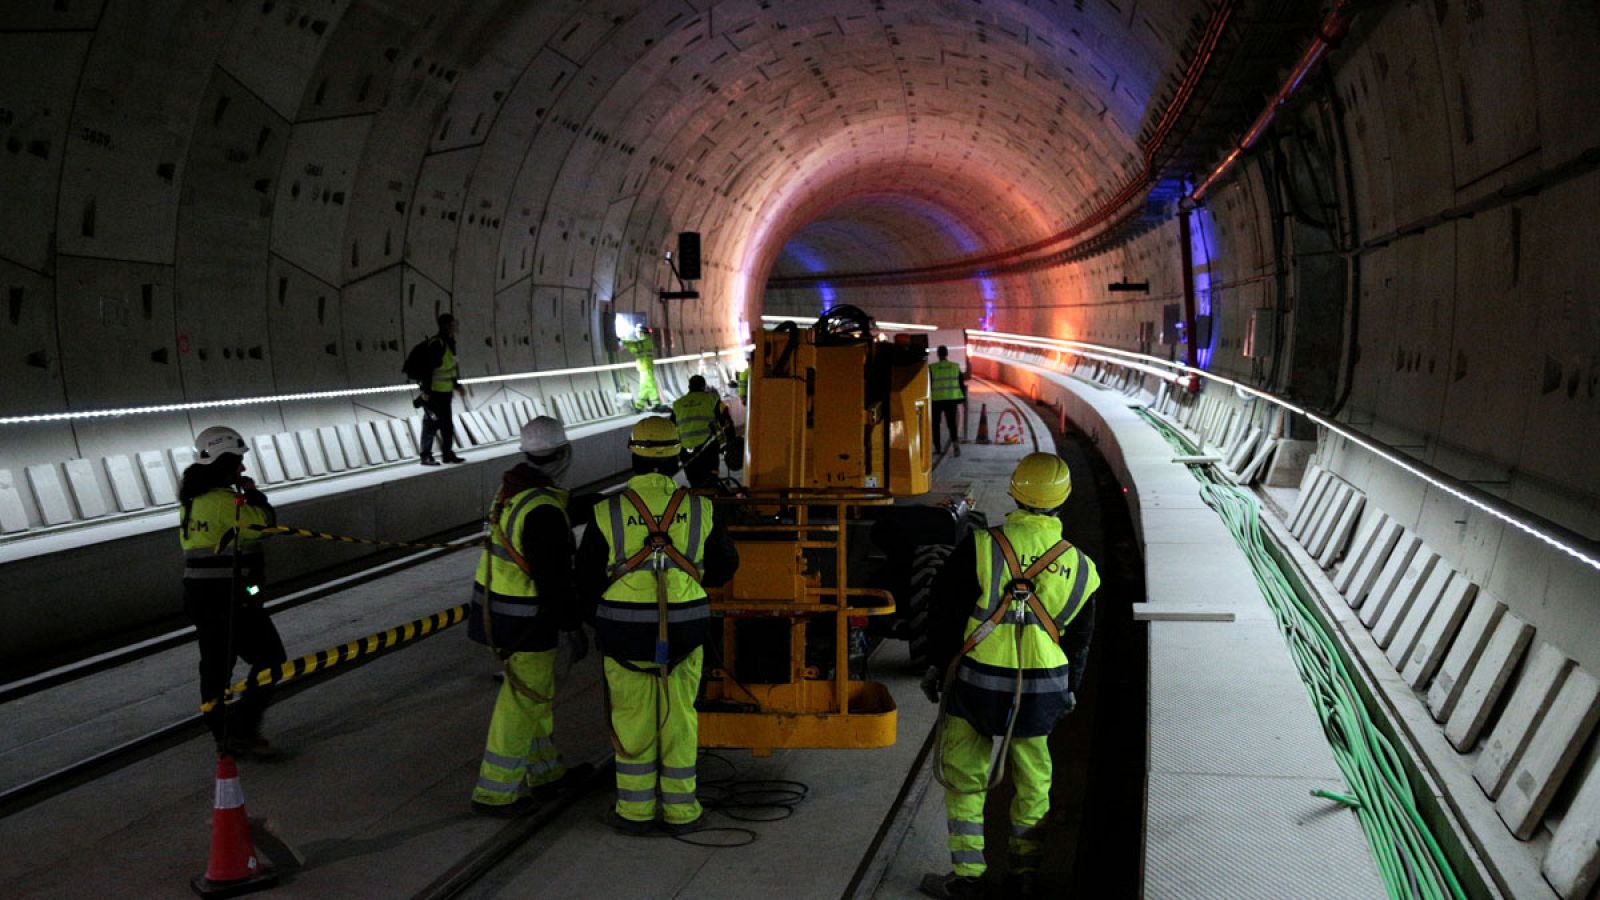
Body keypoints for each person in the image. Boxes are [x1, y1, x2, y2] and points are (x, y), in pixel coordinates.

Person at [917, 452, 1101, 899]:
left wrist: (939, 666)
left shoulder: (982, 546)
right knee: (1033, 780)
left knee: (964, 776)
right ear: (1062, 500)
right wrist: (1070, 689)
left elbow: (943, 610)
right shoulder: (1081, 567)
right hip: (1040, 693)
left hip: (975, 685)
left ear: (1015, 492)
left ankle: (968, 878)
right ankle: (1025, 874)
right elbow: (1079, 639)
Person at [576, 417, 739, 835]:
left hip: (622, 632)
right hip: (685, 629)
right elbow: (725, 566)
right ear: (677, 456)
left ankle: (635, 812)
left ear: (633, 456)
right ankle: (682, 811)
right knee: (679, 715)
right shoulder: (700, 508)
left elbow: (587, 579)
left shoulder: (606, 511)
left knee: (632, 716)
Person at [468, 416, 593, 815]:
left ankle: (546, 774)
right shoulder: (540, 507)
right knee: (520, 705)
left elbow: (555, 513)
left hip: (498, 614)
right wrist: (573, 627)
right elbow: (555, 579)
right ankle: (493, 794)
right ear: (564, 454)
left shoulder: (512, 490)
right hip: (527, 622)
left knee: (534, 697)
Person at [178, 426, 289, 759]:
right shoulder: (226, 502)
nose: (242, 468)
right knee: (271, 659)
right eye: (238, 462)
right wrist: (255, 495)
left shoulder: (191, 500)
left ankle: (224, 734)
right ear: (224, 462)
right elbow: (265, 524)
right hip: (232, 597)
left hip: (202, 596)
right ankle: (240, 730)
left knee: (215, 666)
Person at [416, 313, 466, 466]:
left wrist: (456, 386)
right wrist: (425, 391)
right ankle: (425, 456)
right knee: (431, 424)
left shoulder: (449, 342)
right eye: (453, 324)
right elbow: (427, 368)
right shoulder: (437, 343)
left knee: (446, 425)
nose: (455, 326)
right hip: (434, 392)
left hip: (445, 392)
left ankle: (447, 454)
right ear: (446, 326)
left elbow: (450, 369)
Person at [670, 374, 733, 489]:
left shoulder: (677, 404)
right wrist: (731, 442)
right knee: (710, 480)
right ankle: (713, 503)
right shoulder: (712, 399)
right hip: (707, 448)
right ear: (704, 386)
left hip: (686, 451)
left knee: (695, 483)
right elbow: (726, 421)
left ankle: (698, 503)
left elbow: (671, 428)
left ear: (689, 387)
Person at [929, 345, 965, 457]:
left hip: (936, 400)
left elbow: (929, 385)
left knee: (935, 424)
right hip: (951, 399)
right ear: (947, 354)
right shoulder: (955, 366)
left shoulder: (932, 368)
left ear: (938, 354)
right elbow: (961, 383)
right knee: (952, 424)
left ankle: (938, 448)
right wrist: (962, 398)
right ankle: (955, 445)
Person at [621, 325, 660, 412]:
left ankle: (654, 404)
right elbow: (634, 349)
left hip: (646, 367)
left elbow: (635, 344)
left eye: (638, 333)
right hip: (644, 367)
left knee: (649, 385)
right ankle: (640, 406)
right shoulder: (645, 341)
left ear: (642, 333)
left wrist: (622, 340)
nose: (637, 334)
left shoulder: (645, 341)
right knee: (645, 386)